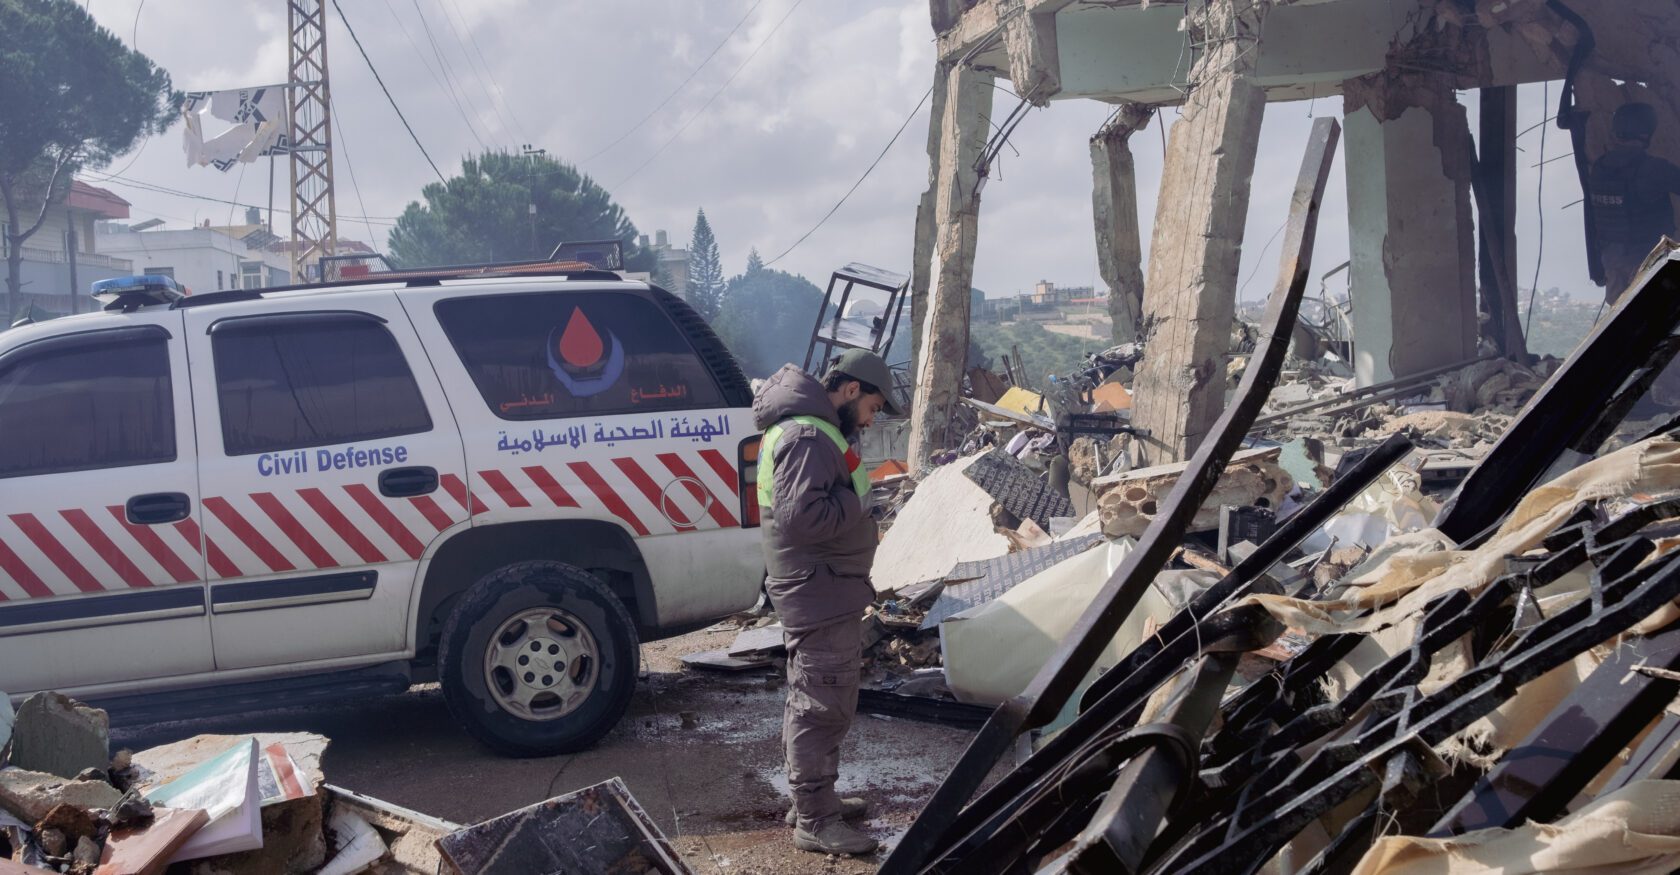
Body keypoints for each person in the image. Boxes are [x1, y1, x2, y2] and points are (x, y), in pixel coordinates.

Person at [752, 348, 901, 856]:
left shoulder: (809, 430)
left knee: (818, 696)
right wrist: (860, 501)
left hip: (821, 587)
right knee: (822, 703)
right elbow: (803, 518)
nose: (872, 418)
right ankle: (815, 820)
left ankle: (815, 799)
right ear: (852, 390)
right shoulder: (809, 436)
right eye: (874, 407)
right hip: (819, 589)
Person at [1589, 102, 1680, 304]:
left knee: (1620, 325)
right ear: (1647, 132)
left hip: (1612, 262)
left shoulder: (1600, 167)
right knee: (1653, 322)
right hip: (1646, 263)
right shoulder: (1652, 169)